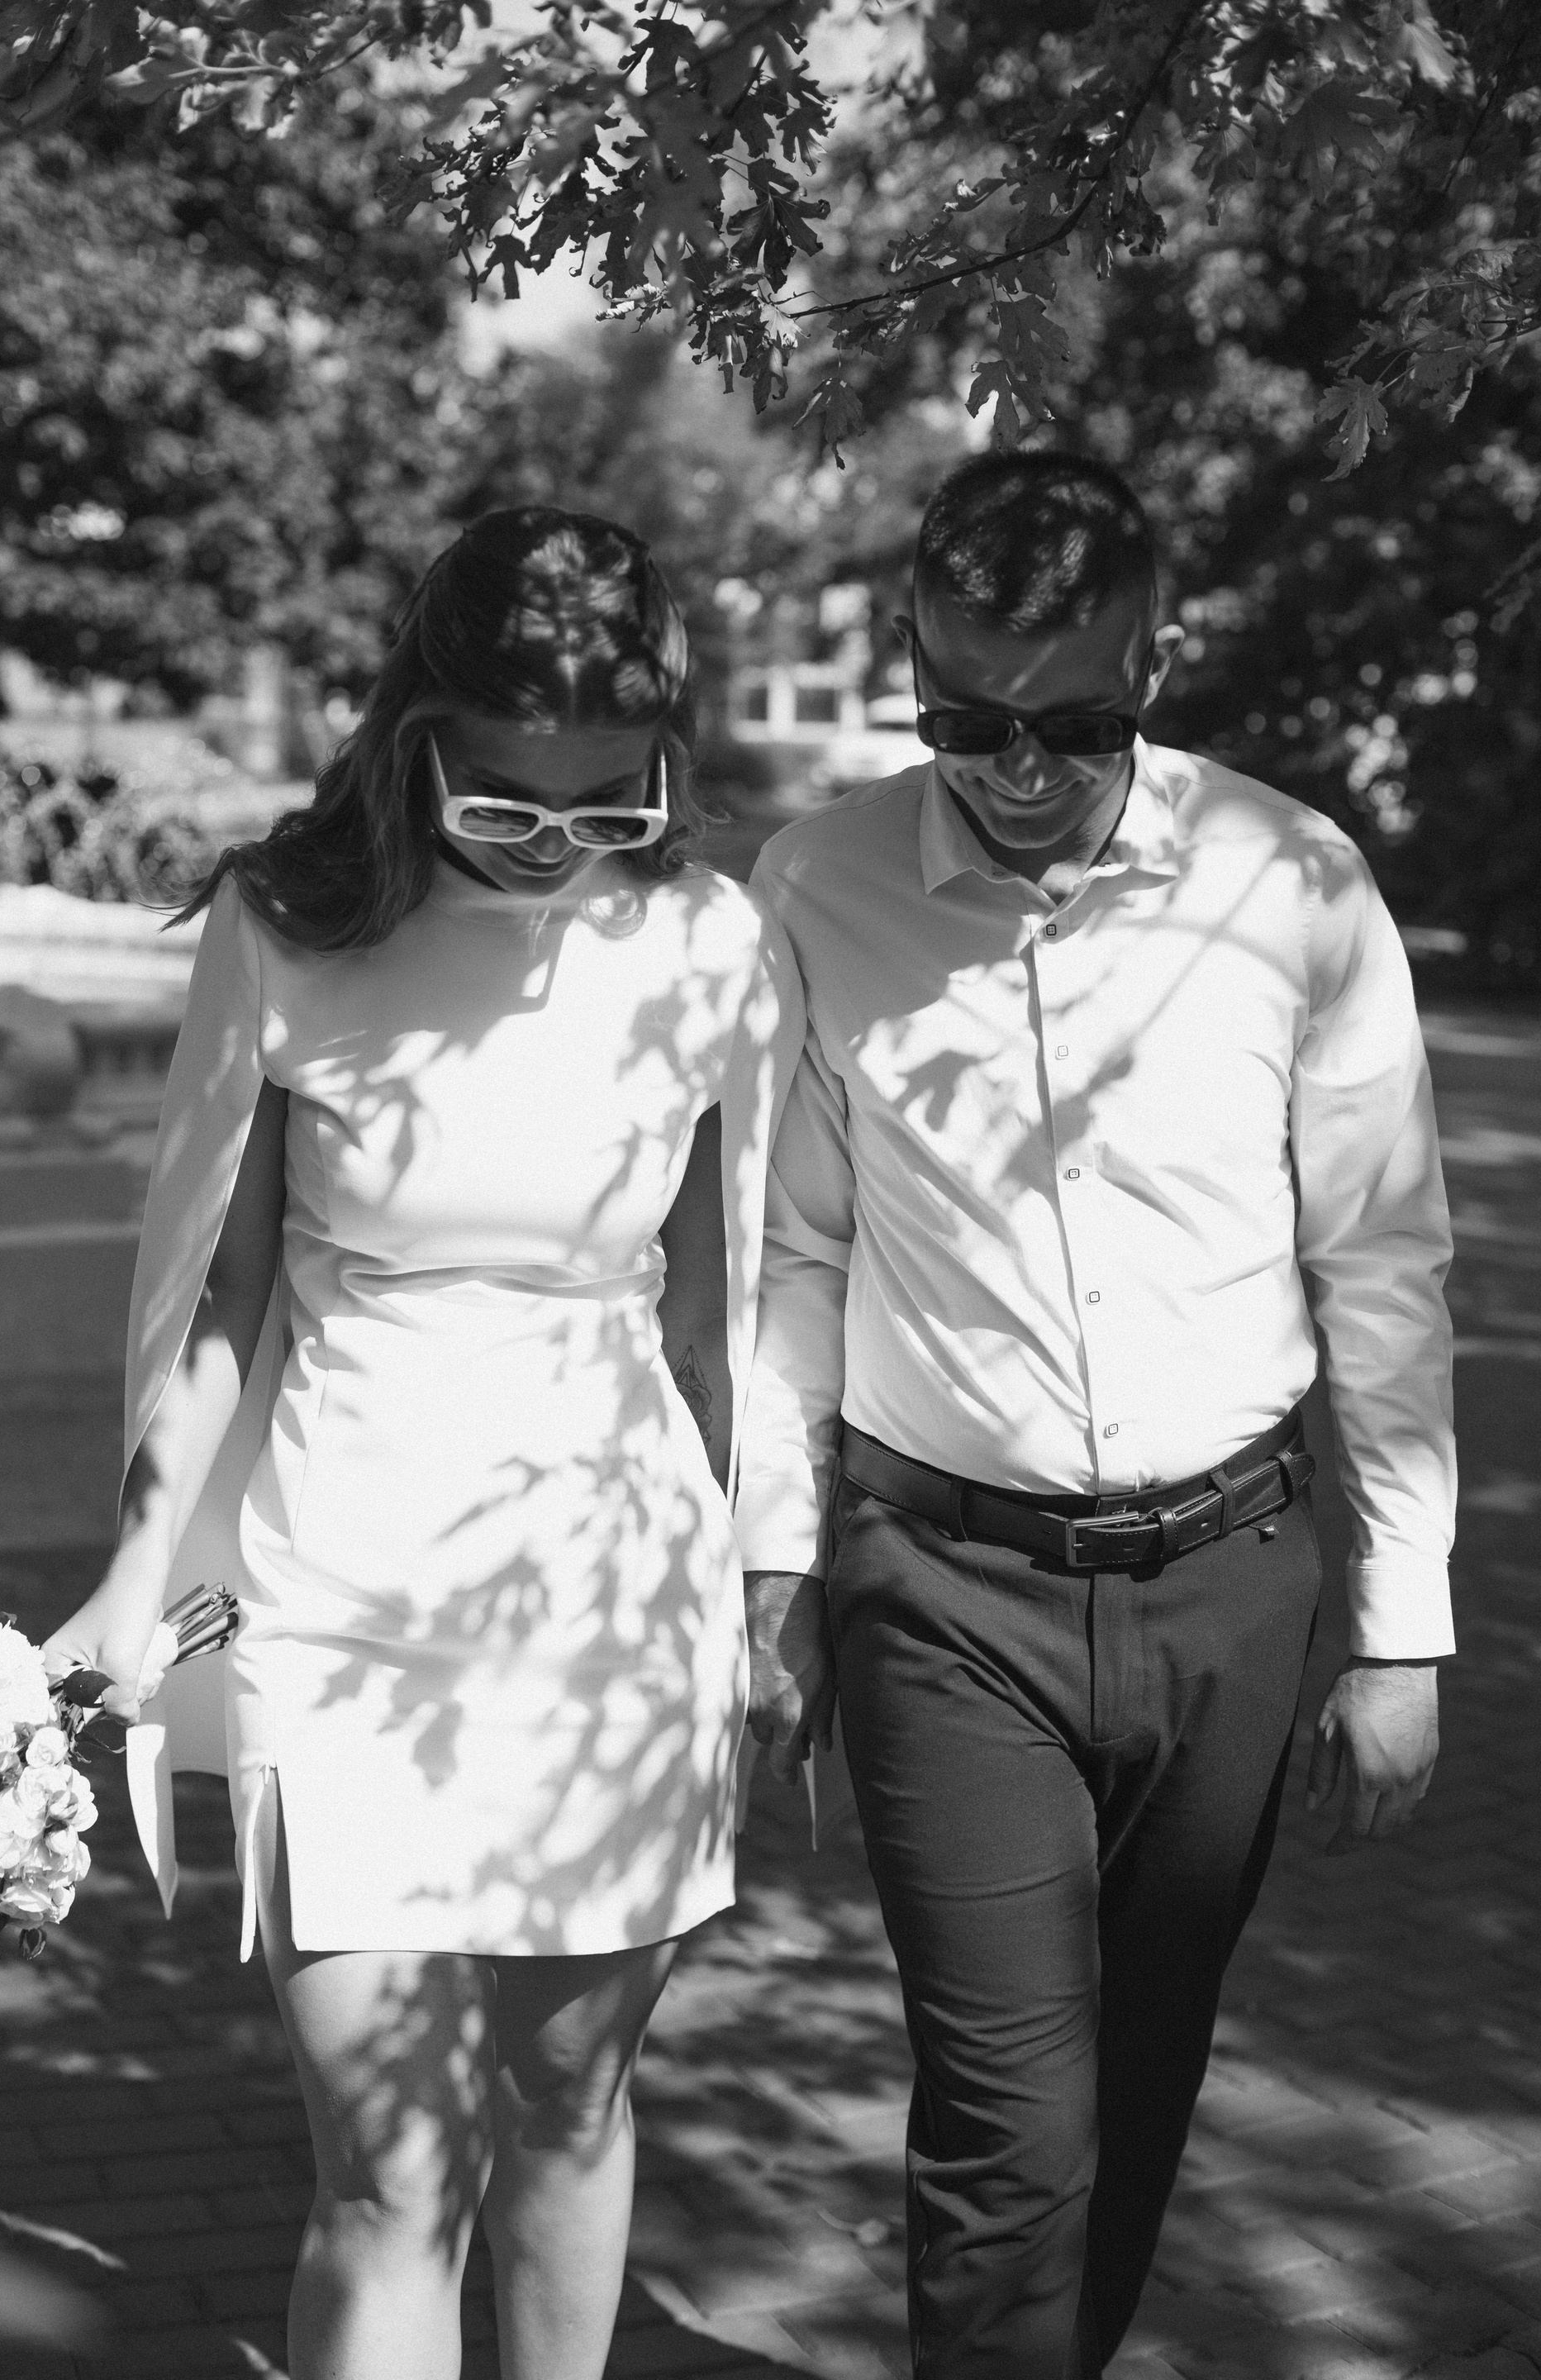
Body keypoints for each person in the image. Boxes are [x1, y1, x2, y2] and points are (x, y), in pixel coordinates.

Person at [42, 508, 802, 2380]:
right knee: (387, 2172)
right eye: (507, 803)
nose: (556, 847)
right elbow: (220, 1291)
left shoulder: (711, 941)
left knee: (568, 2112)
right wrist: (131, 1583)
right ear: (416, 735)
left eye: (610, 805)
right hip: (343, 1599)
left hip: (614, 1606)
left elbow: (723, 1308)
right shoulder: (286, 928)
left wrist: (766, 1594)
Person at [735, 452, 1454, 2376]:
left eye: (1074, 722)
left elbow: (1382, 1263)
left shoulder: (1295, 883)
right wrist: (773, 1580)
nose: (1019, 768)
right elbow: (790, 1261)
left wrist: (1400, 1630)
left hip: (1232, 1584)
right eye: (965, 721)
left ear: (1158, 657)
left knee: (1133, 2098)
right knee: (1009, 2124)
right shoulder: (817, 889)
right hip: (942, 1595)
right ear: (909, 668)